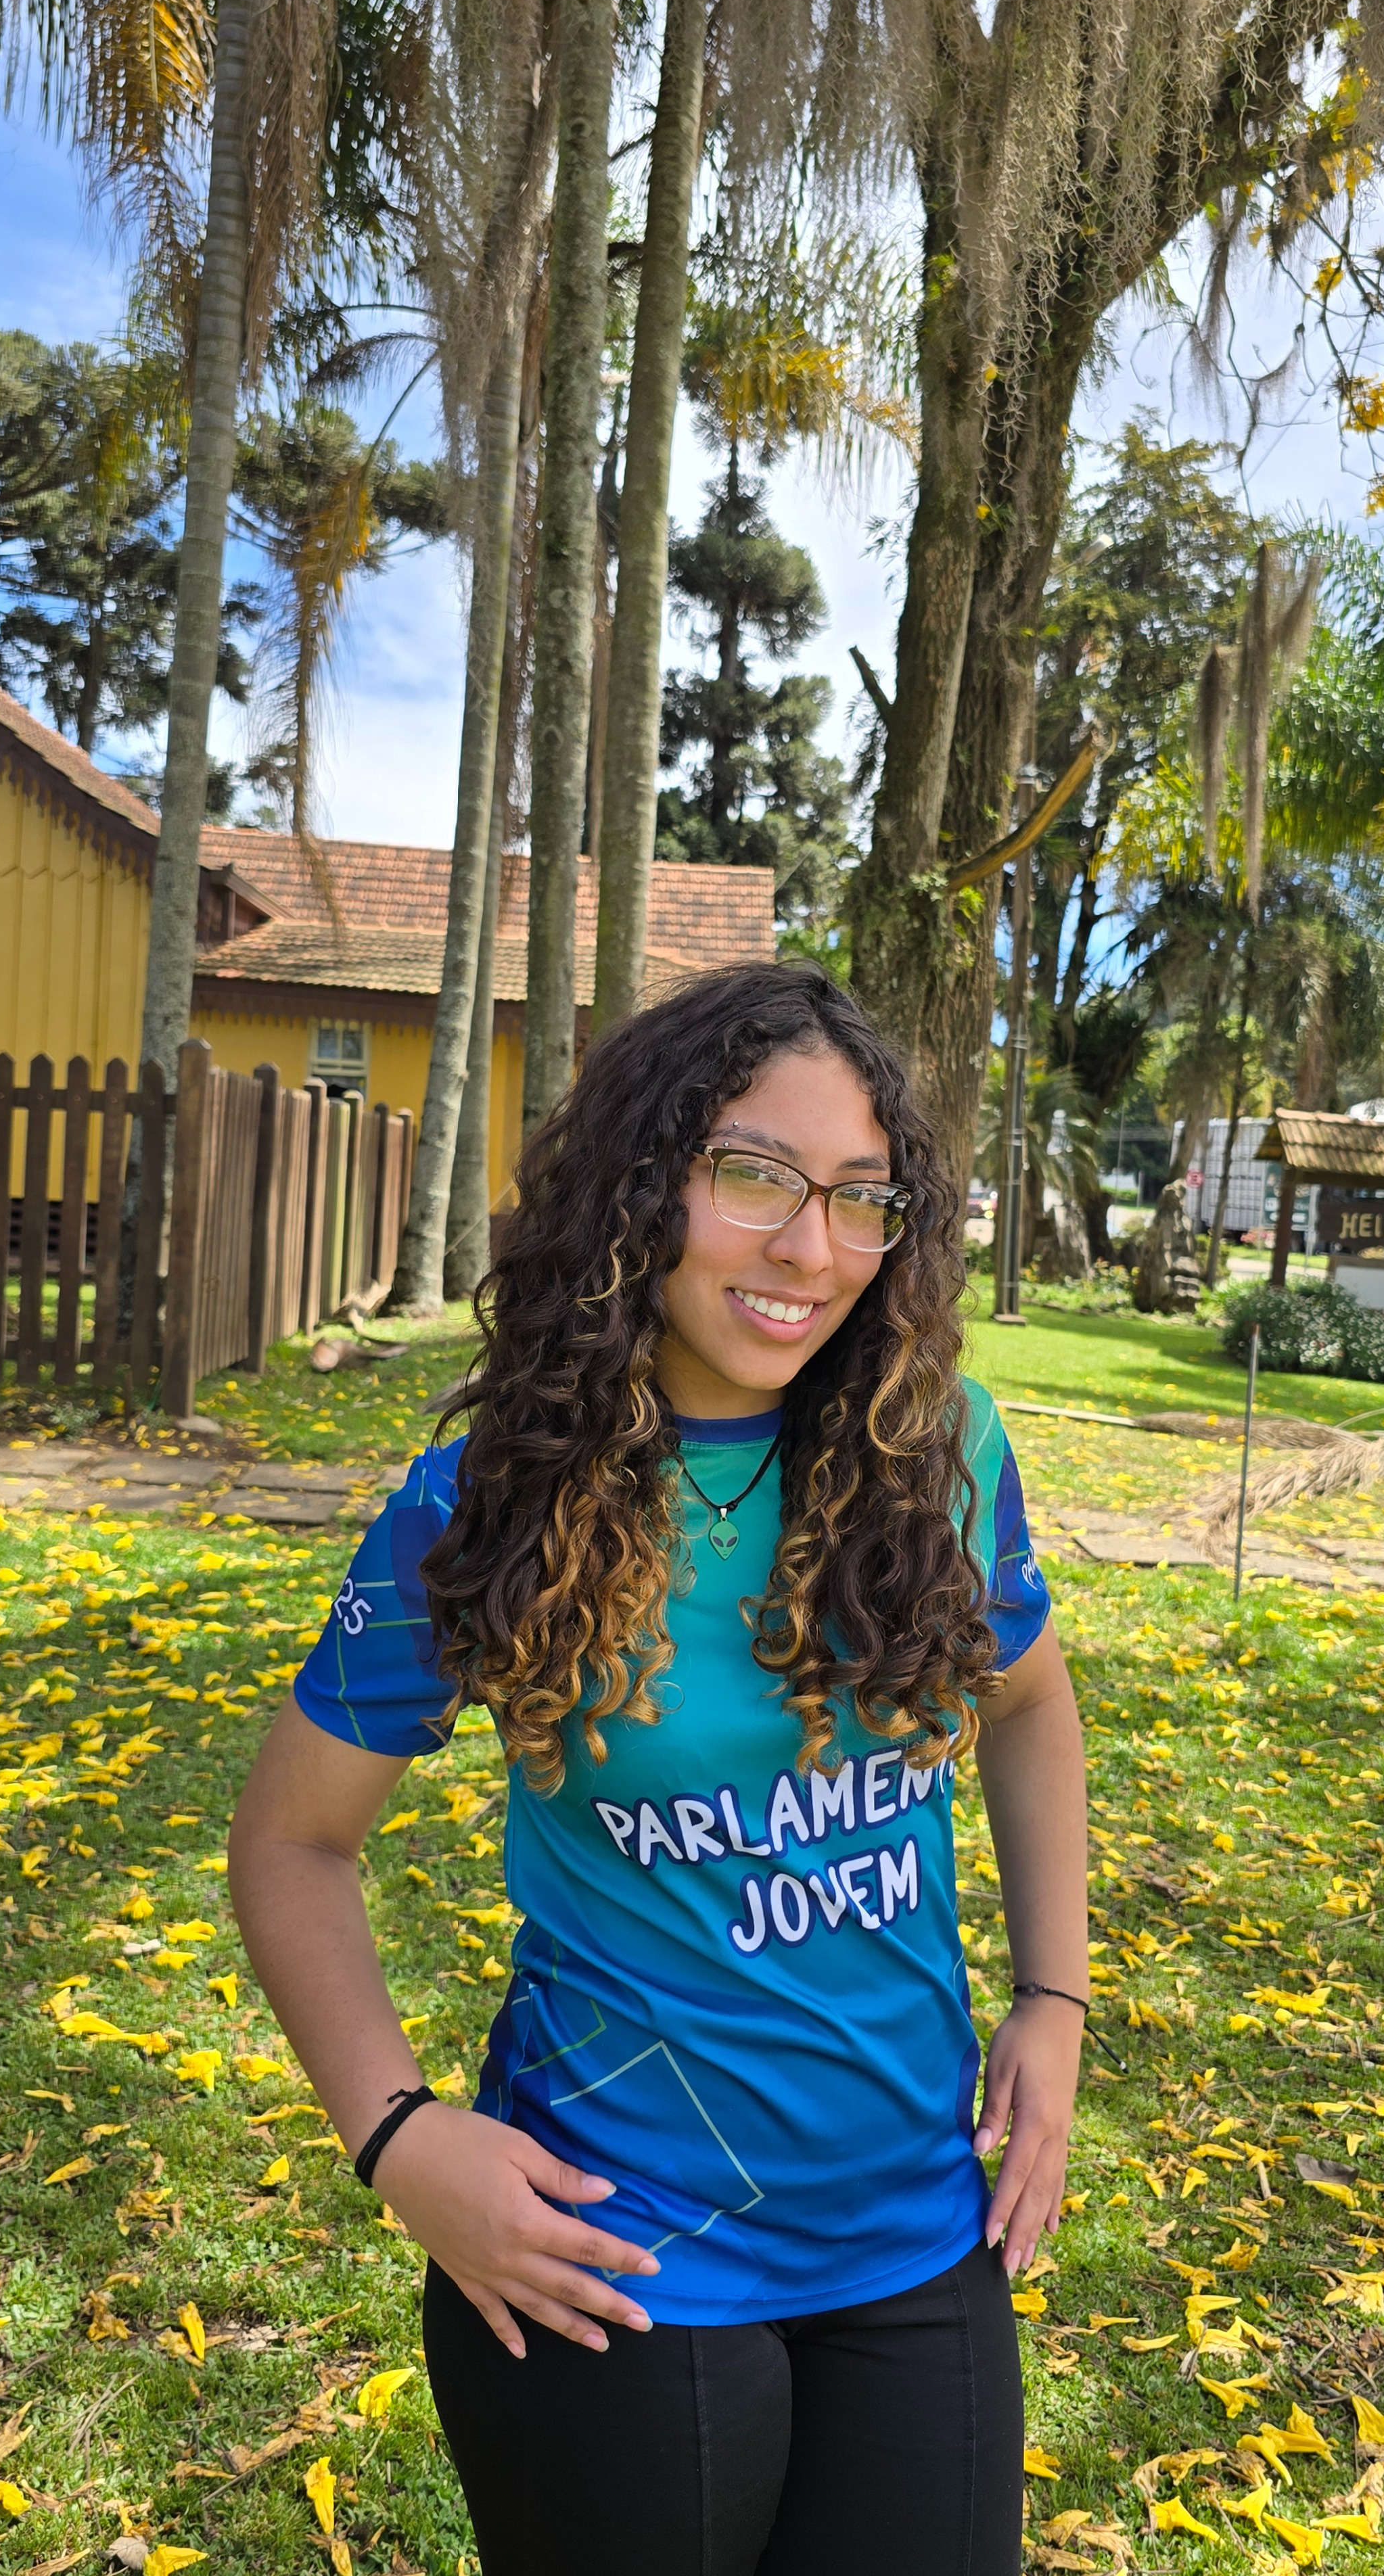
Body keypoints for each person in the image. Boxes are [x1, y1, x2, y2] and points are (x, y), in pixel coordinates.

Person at [229, 960, 1088, 2576]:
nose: (810, 1249)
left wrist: (1054, 1998)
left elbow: (1031, 1703)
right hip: (612, 2249)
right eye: (755, 1175)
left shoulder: (940, 1449)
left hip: (918, 2222)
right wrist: (398, 2135)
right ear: (644, 1182)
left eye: (861, 1197)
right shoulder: (491, 1495)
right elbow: (292, 1843)